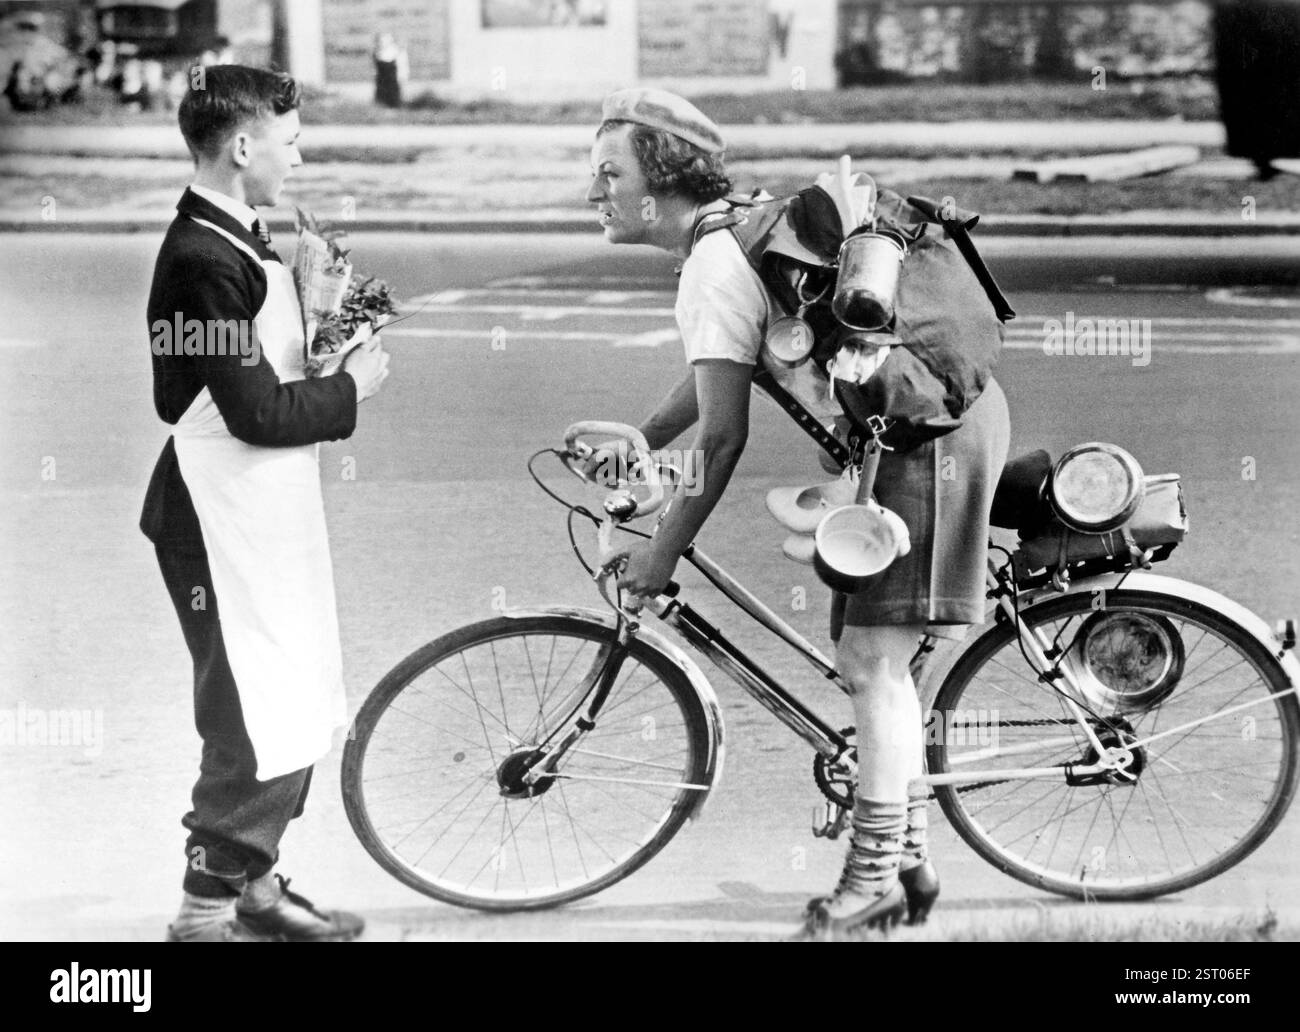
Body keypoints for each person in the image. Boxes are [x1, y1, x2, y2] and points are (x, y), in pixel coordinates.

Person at [582, 88, 1010, 938]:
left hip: (931, 441)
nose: (592, 192)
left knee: (873, 665)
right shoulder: (725, 232)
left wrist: (660, 559)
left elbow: (726, 439)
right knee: (879, 664)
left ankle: (870, 881)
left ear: (659, 181)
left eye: (608, 173)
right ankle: (911, 862)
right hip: (922, 430)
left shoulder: (712, 261)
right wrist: (645, 434)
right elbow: (719, 374)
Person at [140, 64, 391, 941]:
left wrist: (320, 342)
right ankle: (204, 911)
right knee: (253, 709)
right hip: (215, 517)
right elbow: (250, 412)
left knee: (294, 691)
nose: (298, 155)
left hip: (260, 509)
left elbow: (249, 381)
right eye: (289, 142)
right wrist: (351, 384)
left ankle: (255, 888)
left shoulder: (239, 235)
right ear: (243, 147)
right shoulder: (202, 258)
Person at [372, 33, 407, 109]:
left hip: (393, 81)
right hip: (381, 81)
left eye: (384, 40)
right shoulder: (376, 53)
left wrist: (402, 76)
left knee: (394, 99)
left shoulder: (397, 51)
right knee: (381, 100)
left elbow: (402, 66)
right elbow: (375, 68)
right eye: (380, 41)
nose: (381, 43)